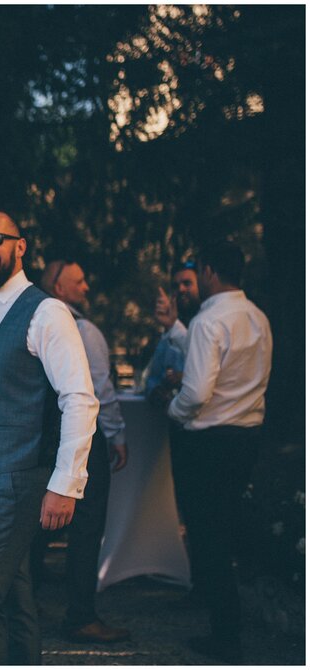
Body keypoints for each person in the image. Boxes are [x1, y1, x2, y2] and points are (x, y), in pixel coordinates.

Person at [0, 211, 98, 664]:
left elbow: (79, 399)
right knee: (14, 599)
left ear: (21, 246)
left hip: (15, 483)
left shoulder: (47, 311)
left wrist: (64, 484)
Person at [166, 242, 272, 663]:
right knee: (225, 523)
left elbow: (194, 393)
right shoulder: (258, 317)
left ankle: (226, 634)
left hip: (208, 440)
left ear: (210, 271)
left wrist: (173, 411)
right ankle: (221, 602)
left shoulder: (209, 320)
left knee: (208, 533)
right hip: (247, 436)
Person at [40, 259, 130, 643]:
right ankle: (81, 615)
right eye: (79, 282)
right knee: (87, 529)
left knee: (37, 526)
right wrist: (118, 434)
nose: (86, 288)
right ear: (59, 288)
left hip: (41, 441)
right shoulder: (84, 330)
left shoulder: (34, 326)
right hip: (83, 439)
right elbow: (97, 392)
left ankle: (23, 606)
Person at [146, 261, 201, 408]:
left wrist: (185, 379)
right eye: (176, 286)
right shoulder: (169, 332)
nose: (181, 289)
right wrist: (159, 393)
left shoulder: (209, 324)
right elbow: (151, 380)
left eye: (187, 283)